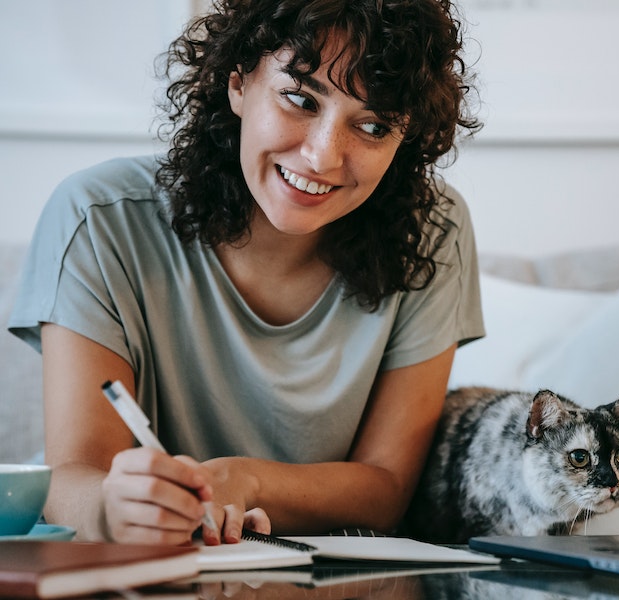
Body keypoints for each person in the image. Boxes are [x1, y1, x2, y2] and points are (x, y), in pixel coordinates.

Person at [8, 0, 483, 546]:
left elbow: (386, 487)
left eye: (373, 125)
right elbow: (74, 476)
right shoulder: (97, 220)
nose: (323, 156)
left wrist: (246, 480)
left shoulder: (433, 230)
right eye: (300, 98)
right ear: (238, 83)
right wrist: (114, 509)